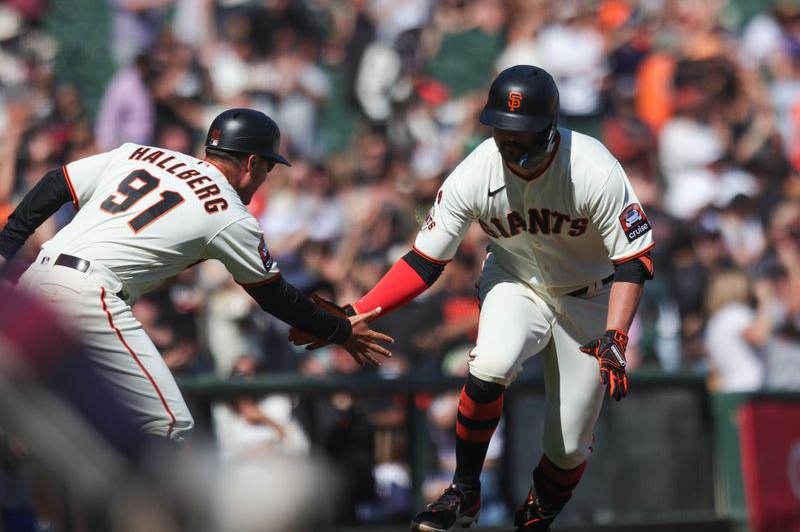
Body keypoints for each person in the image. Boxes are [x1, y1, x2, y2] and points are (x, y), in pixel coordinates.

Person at [290, 65, 655, 531]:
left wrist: (616, 335)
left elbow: (635, 258)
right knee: (491, 364)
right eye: (502, 130)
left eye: (521, 132)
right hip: (515, 280)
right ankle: (464, 491)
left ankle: (534, 520)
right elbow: (424, 261)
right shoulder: (476, 170)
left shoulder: (592, 167)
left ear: (549, 127)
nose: (509, 141)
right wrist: (357, 311)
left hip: (593, 297)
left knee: (567, 446)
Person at [0, 107, 393, 443]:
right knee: (169, 425)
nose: (264, 178)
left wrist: (5, 248)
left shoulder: (137, 153)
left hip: (38, 281)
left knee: (48, 428)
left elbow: (57, 183)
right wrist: (339, 330)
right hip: (90, 296)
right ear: (252, 162)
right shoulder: (229, 213)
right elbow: (275, 297)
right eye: (268, 167)